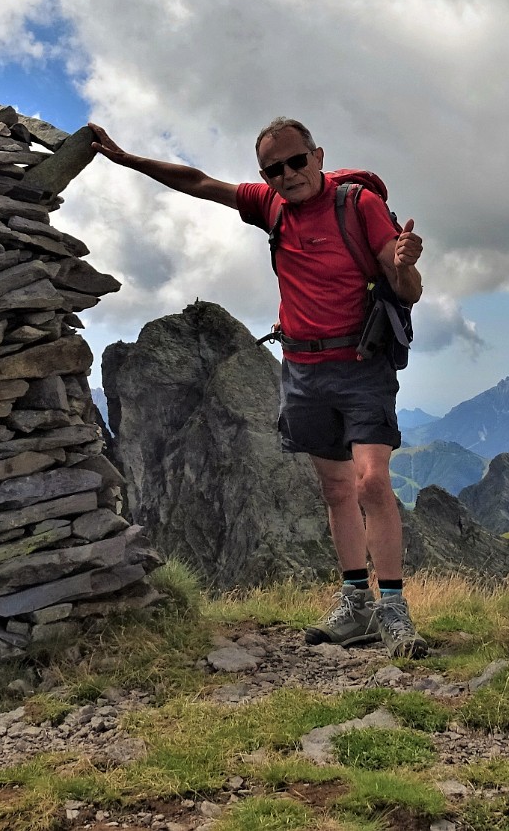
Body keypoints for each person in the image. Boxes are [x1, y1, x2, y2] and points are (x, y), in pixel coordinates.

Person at [89, 117, 427, 658]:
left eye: (297, 161)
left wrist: (405, 263)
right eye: (275, 169)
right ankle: (356, 606)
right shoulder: (269, 206)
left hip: (362, 364)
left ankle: (392, 609)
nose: (288, 175)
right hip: (302, 368)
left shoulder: (356, 204)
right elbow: (198, 182)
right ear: (263, 175)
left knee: (370, 482)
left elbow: (404, 287)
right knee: (336, 489)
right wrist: (127, 160)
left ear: (318, 155)